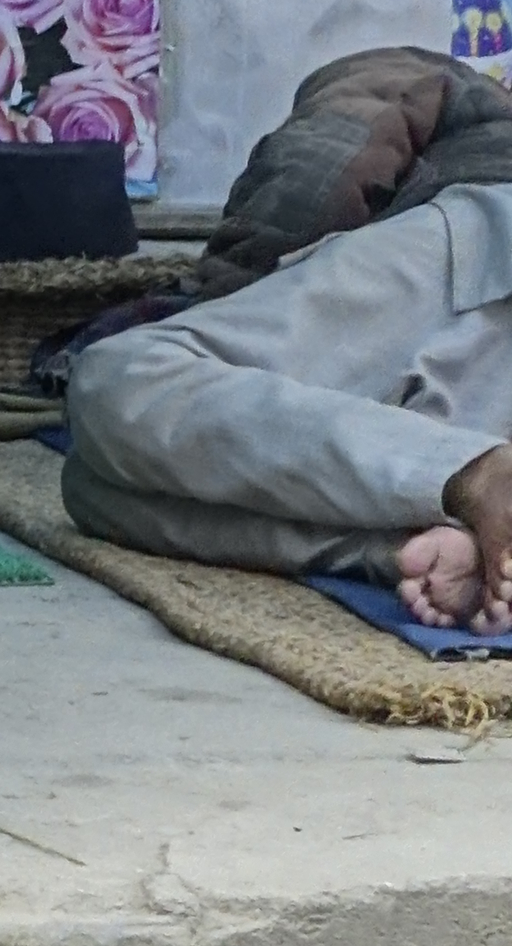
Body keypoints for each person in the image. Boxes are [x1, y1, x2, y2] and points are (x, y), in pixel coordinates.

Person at [64, 194, 512, 626]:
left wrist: (398, 544)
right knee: (110, 442)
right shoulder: (447, 258)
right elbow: (122, 383)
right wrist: (467, 473)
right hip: (460, 268)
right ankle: (455, 496)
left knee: (105, 488)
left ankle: (435, 528)